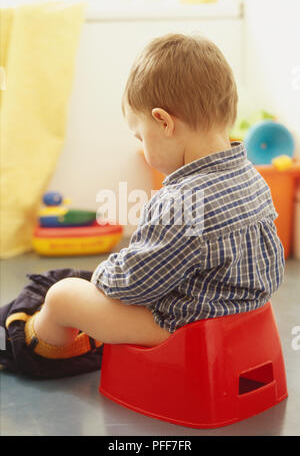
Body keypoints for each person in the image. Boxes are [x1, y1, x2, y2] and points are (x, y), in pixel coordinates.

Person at [0, 33, 285, 378]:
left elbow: (134, 284)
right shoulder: (253, 176)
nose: (141, 144)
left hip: (182, 325)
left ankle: (33, 347)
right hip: (244, 317)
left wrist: (105, 273)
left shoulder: (181, 202)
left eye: (139, 135)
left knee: (64, 294)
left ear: (164, 122)